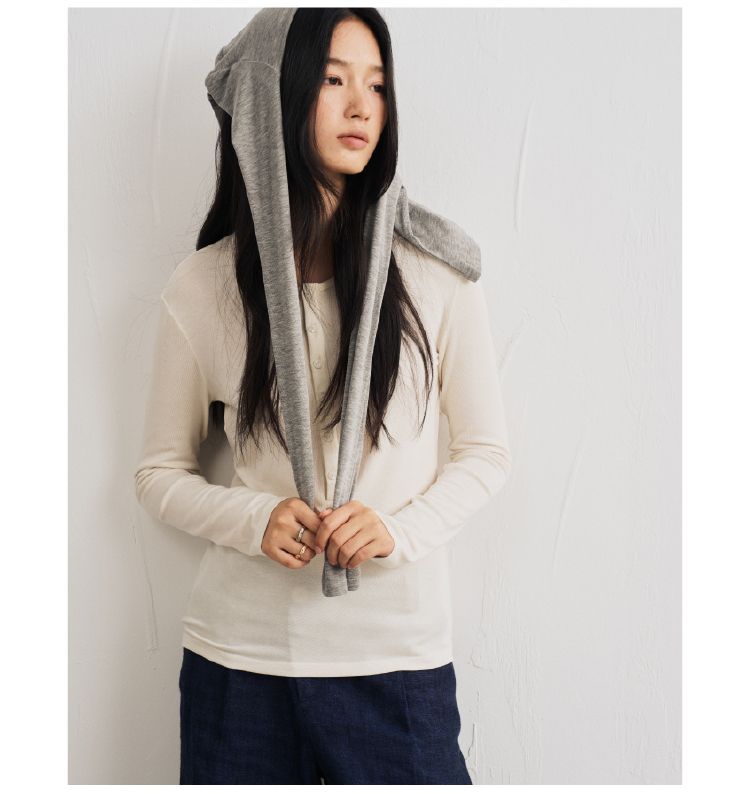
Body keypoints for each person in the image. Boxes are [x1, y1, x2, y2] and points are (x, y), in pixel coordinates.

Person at [134, 7, 512, 785]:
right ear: (275, 99)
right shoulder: (205, 286)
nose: (361, 106)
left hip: (396, 668)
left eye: (377, 85)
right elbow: (158, 473)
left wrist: (395, 532)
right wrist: (256, 519)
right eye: (334, 81)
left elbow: (486, 453)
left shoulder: (436, 272)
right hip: (237, 668)